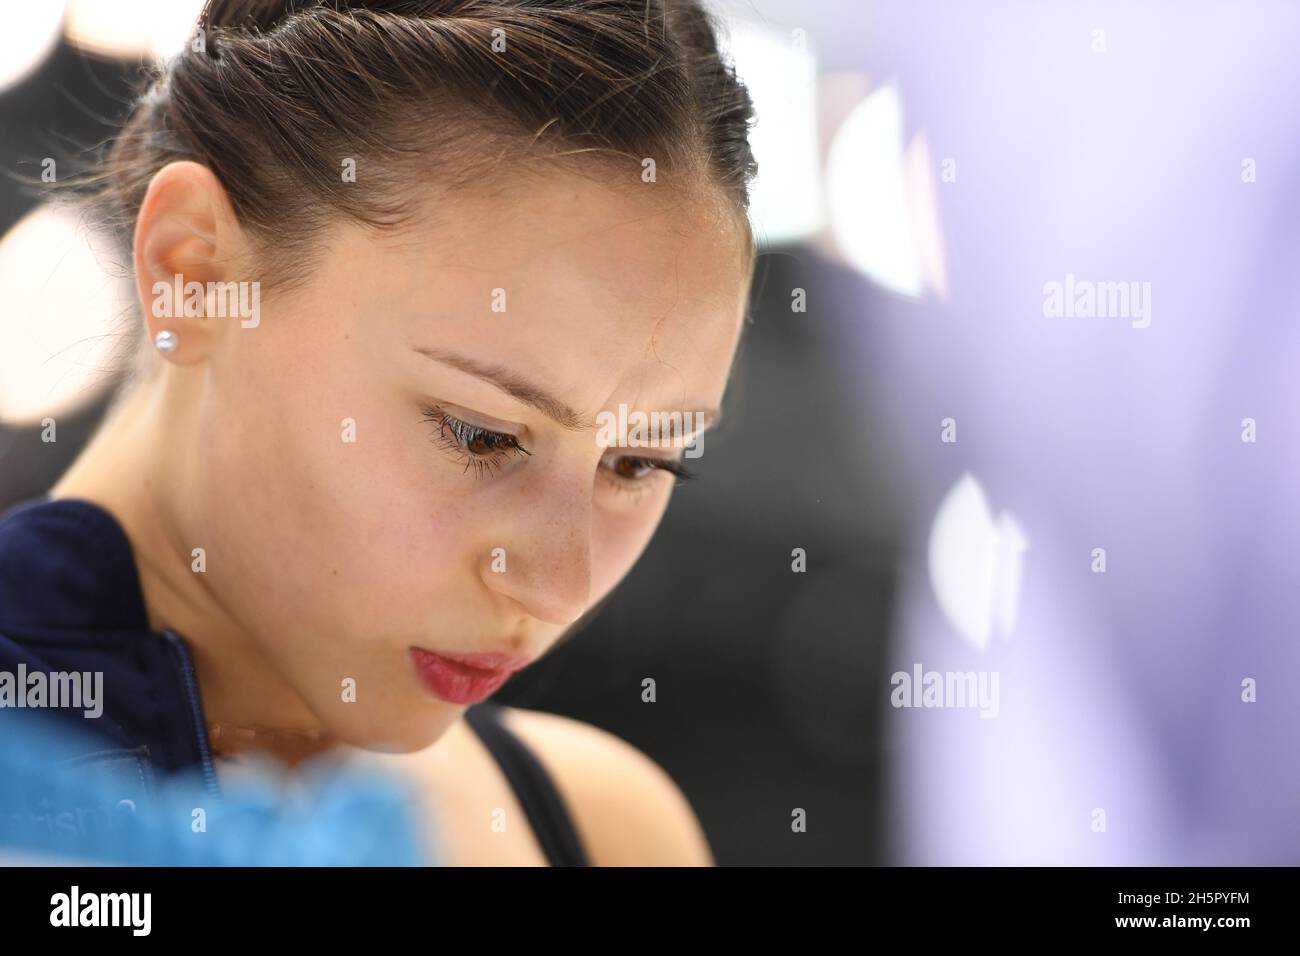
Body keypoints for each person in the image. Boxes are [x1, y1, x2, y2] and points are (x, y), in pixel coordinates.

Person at [0, 0, 758, 866]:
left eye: (639, 461)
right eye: (480, 435)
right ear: (194, 270)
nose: (556, 587)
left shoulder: (605, 831)